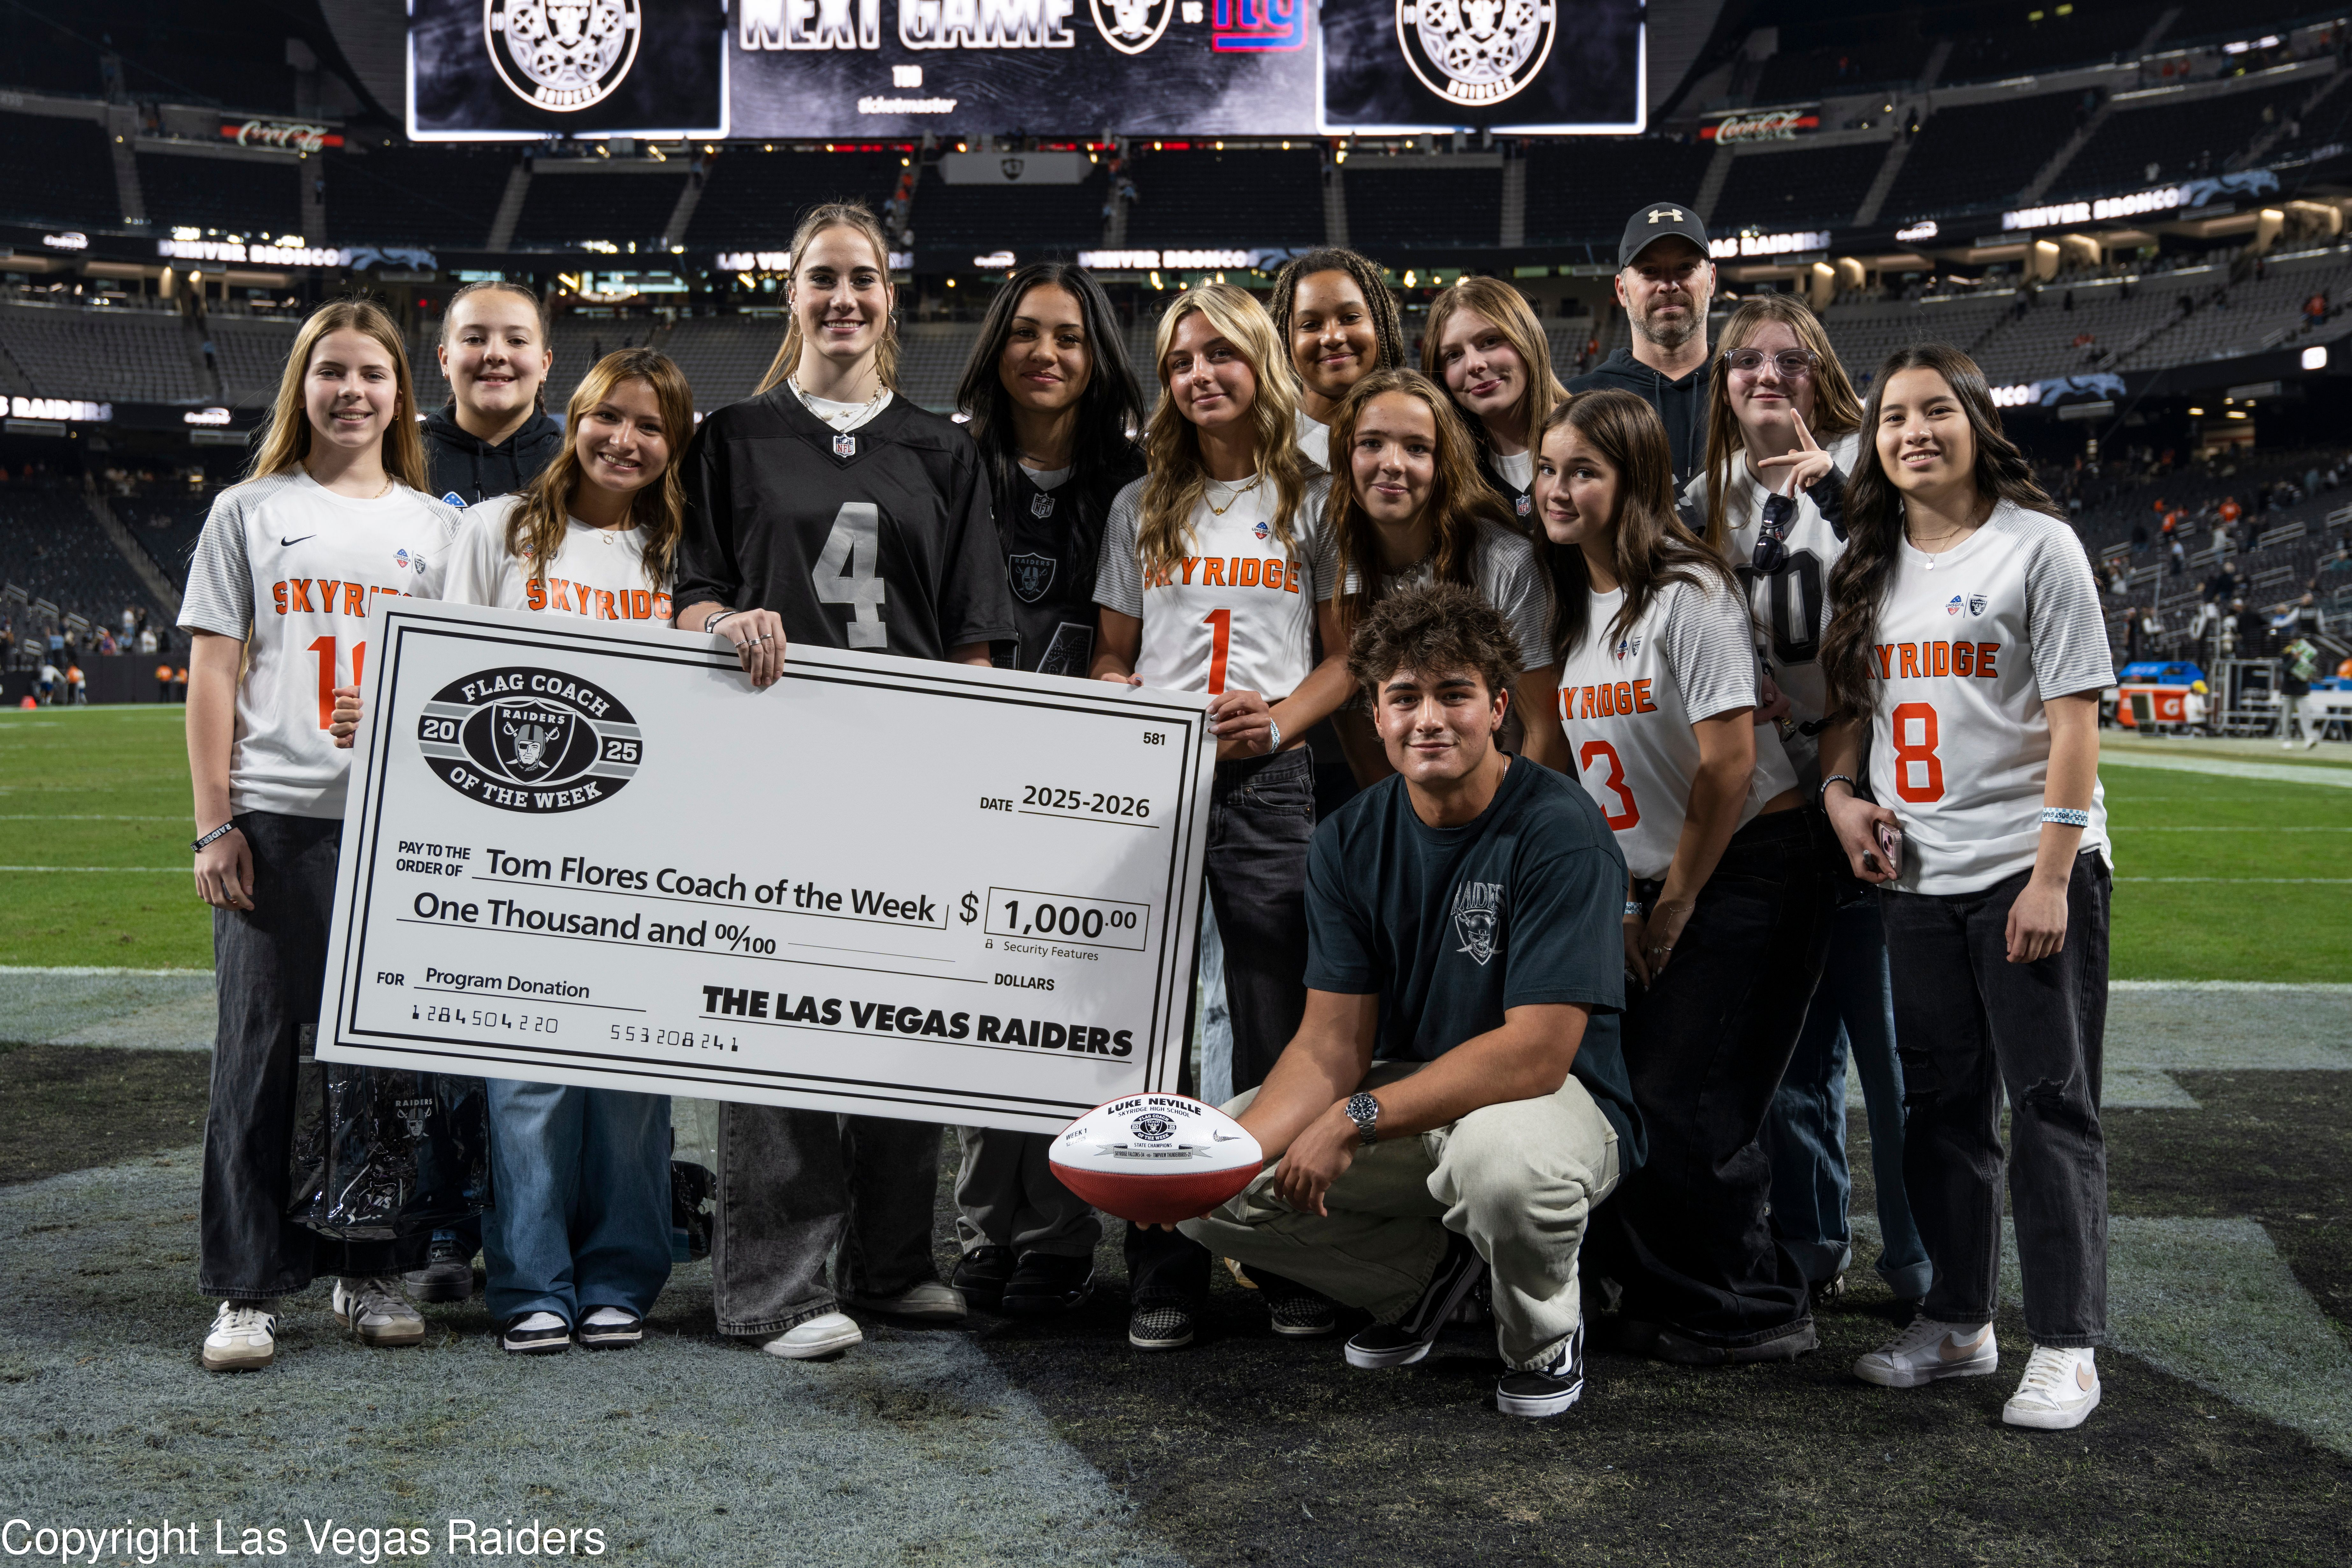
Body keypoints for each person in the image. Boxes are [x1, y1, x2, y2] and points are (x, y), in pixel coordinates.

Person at [672, 202, 1015, 1363]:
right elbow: (694, 595)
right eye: (822, 277)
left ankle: (893, 1259)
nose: (843, 298)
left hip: (908, 770)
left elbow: (972, 639)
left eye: (863, 278)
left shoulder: (943, 446)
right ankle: (773, 1284)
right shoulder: (732, 437)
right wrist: (727, 623)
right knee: (778, 1022)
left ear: (888, 296)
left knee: (901, 1016)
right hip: (773, 769)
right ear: (791, 291)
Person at [1180, 581, 1640, 1419]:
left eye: (1454, 693)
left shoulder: (1559, 827)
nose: (1428, 717)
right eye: (1403, 697)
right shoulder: (1347, 838)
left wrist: (1355, 1117)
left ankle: (1540, 1336)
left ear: (1497, 706)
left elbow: (1535, 1053)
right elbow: (1328, 1049)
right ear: (1375, 716)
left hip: (1551, 1099)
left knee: (1495, 1168)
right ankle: (1436, 1284)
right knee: (1210, 1183)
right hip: (1412, 1096)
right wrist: (1208, 1161)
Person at [333, 349, 695, 1353]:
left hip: (640, 853)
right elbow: (433, 657)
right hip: (511, 851)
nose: (625, 440)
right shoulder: (496, 531)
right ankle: (530, 1279)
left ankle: (622, 1272)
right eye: (608, 417)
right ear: (572, 417)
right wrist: (391, 704)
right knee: (525, 1081)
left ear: (676, 448)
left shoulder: (680, 553)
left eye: (651, 427)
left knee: (630, 1083)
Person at [1817, 343, 2113, 1432]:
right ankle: (1956, 1321)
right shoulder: (1871, 557)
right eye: (1892, 417)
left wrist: (2048, 877)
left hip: (2026, 873)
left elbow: (2077, 719)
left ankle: (2068, 1343)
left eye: (1934, 411)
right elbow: (1853, 709)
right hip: (1917, 879)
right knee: (1941, 1107)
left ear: (1978, 423)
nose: (1912, 433)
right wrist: (1842, 795)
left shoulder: (2041, 547)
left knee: (2046, 1105)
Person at [178, 299, 464, 1372]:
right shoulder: (248, 511)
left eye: (373, 375)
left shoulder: (439, 529)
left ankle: (368, 1263)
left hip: (397, 824)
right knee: (257, 1060)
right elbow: (213, 671)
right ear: (303, 386)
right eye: (332, 372)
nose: (352, 392)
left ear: (403, 393)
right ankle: (246, 1288)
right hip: (275, 816)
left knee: (380, 1065)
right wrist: (215, 824)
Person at [1539, 387, 1829, 1365]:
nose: (1558, 487)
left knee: (1692, 1096)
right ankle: (1680, 1292)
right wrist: (1631, 898)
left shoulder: (1690, 590)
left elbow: (1730, 763)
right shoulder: (1579, 606)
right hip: (1663, 878)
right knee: (1647, 1095)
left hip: (1753, 867)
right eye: (1548, 469)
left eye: (1583, 470)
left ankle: (1752, 1305)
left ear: (1633, 481)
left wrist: (1675, 901)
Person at [1093, 281, 1355, 1351]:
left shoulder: (1316, 497)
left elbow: (1348, 657)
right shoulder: (1138, 501)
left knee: (1267, 1019)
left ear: (1260, 363)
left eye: (1220, 356)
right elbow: (1114, 650)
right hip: (1151, 781)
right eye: (1181, 361)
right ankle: (1163, 1264)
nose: (1201, 376)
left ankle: (1280, 1255)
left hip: (1266, 780)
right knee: (1152, 1035)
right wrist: (1119, 700)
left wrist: (1282, 723)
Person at [1687, 294, 1930, 1309]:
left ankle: (1926, 1262)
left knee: (1893, 1050)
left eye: (1789, 359)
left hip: (1876, 788)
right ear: (1723, 379)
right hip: (1777, 796)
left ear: (1821, 372)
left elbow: (1912, 588)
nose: (1766, 375)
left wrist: (1833, 488)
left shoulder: (1868, 475)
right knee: (1790, 1049)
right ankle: (1812, 1239)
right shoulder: (1703, 499)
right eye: (1746, 359)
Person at [945, 262, 1147, 1317]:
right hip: (974, 768)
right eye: (1026, 333)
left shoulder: (1135, 481)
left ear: (1096, 353)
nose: (1047, 353)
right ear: (997, 347)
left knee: (1068, 1005)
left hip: (1091, 781)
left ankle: (1058, 1233)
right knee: (984, 1000)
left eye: (1069, 337)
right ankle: (983, 1229)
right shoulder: (951, 460)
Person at [1320, 368, 1565, 778]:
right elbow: (1356, 723)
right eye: (1371, 443)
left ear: (1442, 464)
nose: (1392, 464)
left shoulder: (1505, 563)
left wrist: (1505, 831)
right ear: (1346, 454)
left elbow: (1545, 728)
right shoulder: (1333, 561)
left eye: (1416, 448)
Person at [1568, 204, 1719, 489]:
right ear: (1622, 290)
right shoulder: (1576, 400)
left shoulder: (1750, 389)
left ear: (1711, 280)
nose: (1669, 285)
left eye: (1685, 267)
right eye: (1649, 271)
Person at [1422, 277, 1567, 524]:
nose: (1475, 365)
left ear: (1528, 340)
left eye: (1490, 341)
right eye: (1454, 355)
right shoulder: (1448, 475)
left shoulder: (1597, 437)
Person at [423, 281, 562, 509]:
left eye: (517, 341)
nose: (495, 354)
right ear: (445, 361)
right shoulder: (401, 459)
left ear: (544, 365)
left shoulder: (576, 465)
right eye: (474, 339)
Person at [1268, 248, 1408, 473]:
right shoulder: (1262, 448)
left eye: (1350, 318)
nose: (1333, 337)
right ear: (1285, 339)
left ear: (1380, 324)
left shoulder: (1423, 434)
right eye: (1311, 325)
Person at [2279, 632, 2324, 748]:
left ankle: (2309, 738)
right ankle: (2286, 739)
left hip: (2301, 688)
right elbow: (2284, 669)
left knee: (2305, 715)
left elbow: (2312, 670)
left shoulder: (2309, 654)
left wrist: (2310, 675)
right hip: (2289, 689)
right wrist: (2294, 659)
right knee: (2287, 717)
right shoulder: (2287, 652)